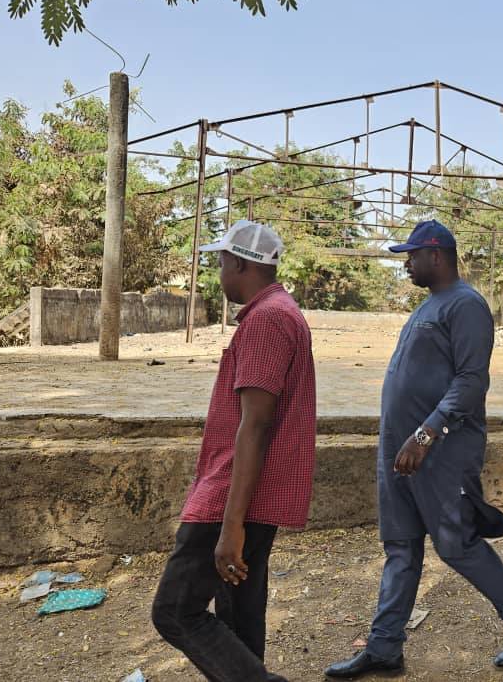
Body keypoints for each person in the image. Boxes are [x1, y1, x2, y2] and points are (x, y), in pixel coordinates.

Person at [325, 220, 503, 679]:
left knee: (456, 545)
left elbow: (471, 381)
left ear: (436, 255)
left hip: (439, 451)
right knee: (401, 547)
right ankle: (385, 648)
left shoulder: (466, 305)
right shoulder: (431, 304)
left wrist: (426, 434)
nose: (405, 263)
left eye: (411, 255)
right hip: (402, 450)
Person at [151, 220, 316, 682]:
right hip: (251, 494)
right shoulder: (278, 313)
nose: (218, 273)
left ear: (241, 263)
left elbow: (257, 424)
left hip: (234, 494)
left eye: (221, 262)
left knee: (176, 610)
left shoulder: (268, 320)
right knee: (238, 612)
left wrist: (230, 524)